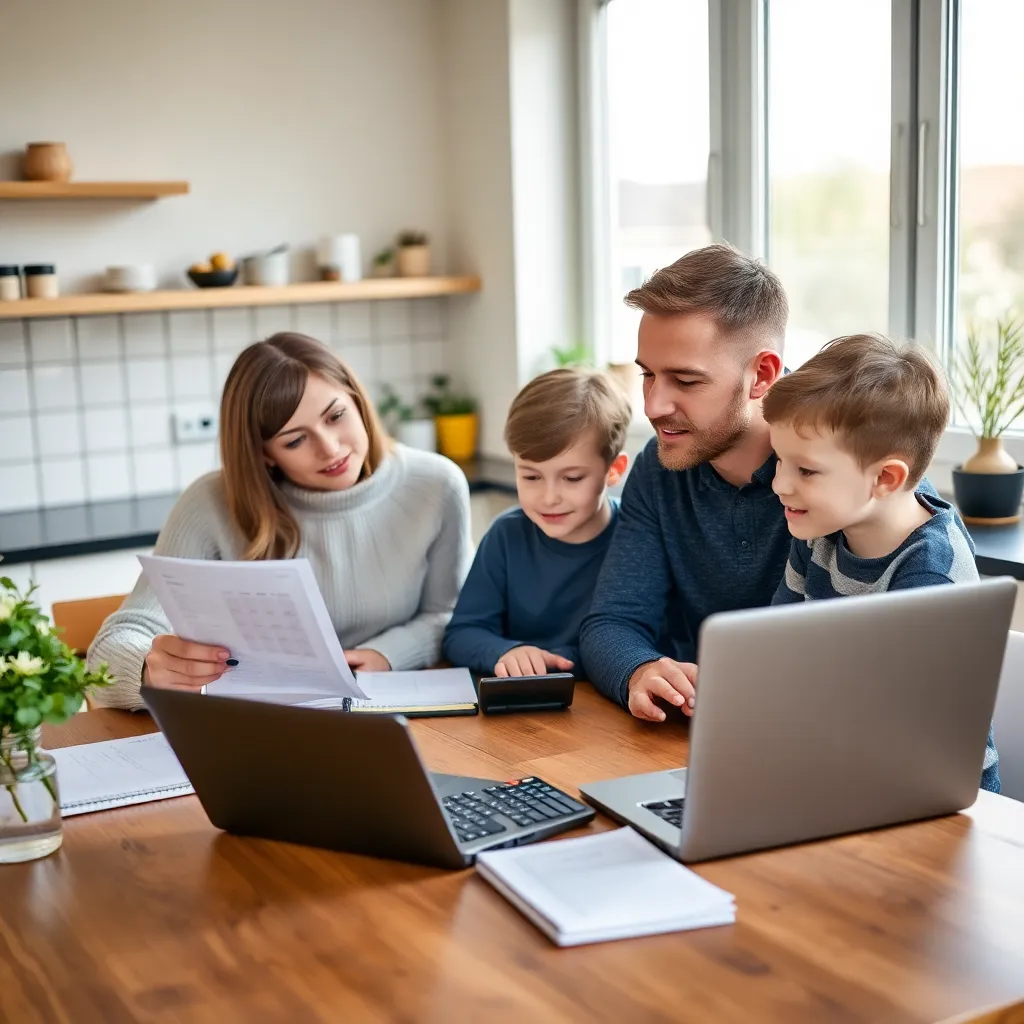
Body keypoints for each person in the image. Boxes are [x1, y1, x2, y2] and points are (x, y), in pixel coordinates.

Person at [579, 243, 966, 724]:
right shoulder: (659, 470)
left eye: (686, 380)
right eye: (648, 375)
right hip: (725, 731)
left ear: (762, 374)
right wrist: (639, 671)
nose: (654, 405)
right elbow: (611, 623)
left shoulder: (852, 476)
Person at [88, 333, 472, 710]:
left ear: (356, 398)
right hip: (263, 728)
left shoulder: (437, 485)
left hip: (402, 716)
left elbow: (451, 614)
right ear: (265, 455)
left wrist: (388, 654)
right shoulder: (211, 504)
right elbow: (111, 649)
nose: (330, 447)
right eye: (294, 441)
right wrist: (146, 669)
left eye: (336, 416)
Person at [763, 333, 1000, 791]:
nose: (780, 485)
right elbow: (779, 651)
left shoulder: (931, 573)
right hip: (840, 767)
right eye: (779, 461)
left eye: (806, 470)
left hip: (931, 799)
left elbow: (898, 733)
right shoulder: (818, 534)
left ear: (886, 478)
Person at [442, 368, 630, 678]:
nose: (548, 497)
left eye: (571, 478)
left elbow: (656, 639)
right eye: (530, 476)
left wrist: (557, 659)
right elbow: (462, 634)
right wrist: (506, 652)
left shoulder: (636, 538)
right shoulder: (506, 536)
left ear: (613, 470)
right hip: (524, 714)